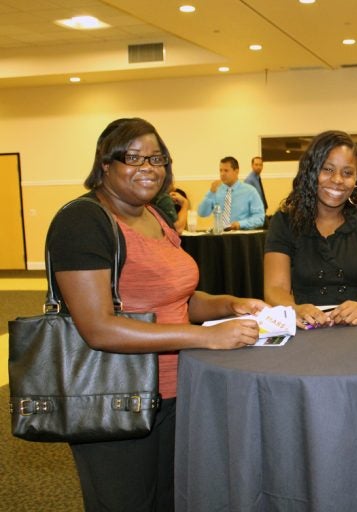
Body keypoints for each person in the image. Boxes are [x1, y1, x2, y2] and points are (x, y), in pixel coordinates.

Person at [47, 117, 268, 511]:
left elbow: (177, 299)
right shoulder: (83, 221)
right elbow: (99, 329)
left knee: (172, 500)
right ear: (105, 165)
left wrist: (229, 303)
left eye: (156, 158)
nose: (147, 168)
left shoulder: (155, 216)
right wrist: (206, 336)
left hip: (177, 392)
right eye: (132, 158)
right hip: (116, 399)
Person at [264, 130, 357, 329]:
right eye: (327, 169)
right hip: (307, 331)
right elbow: (275, 288)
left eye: (347, 172)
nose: (337, 180)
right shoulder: (284, 222)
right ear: (310, 172)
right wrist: (293, 309)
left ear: (356, 180)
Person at [197, 156, 265, 230]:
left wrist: (240, 224)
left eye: (226, 170)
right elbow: (202, 213)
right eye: (221, 170)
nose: (222, 174)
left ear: (236, 171)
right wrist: (210, 193)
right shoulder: (216, 190)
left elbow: (259, 218)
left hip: (242, 236)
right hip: (219, 236)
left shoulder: (250, 191)